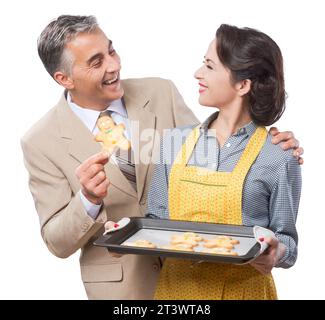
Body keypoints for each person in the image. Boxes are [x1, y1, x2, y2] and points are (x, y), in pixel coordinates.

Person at [21, 15, 302, 300]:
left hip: (206, 281)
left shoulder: (160, 92)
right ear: (64, 78)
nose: (114, 65)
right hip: (124, 290)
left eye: (112, 50)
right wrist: (88, 201)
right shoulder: (40, 141)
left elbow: (214, 157)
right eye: (96, 62)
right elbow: (57, 242)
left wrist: (263, 143)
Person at [147, 24, 302, 300]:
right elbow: (155, 223)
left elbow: (288, 242)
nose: (198, 73)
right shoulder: (174, 141)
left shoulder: (278, 155)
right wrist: (124, 238)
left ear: (243, 85)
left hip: (244, 293)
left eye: (209, 66)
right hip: (177, 294)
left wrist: (275, 253)